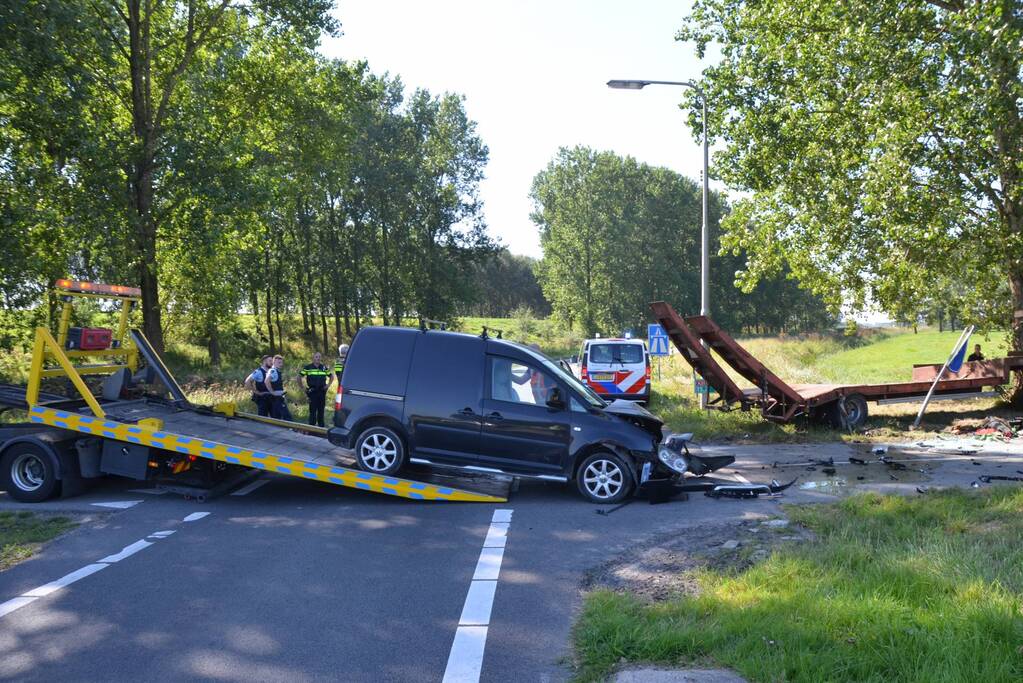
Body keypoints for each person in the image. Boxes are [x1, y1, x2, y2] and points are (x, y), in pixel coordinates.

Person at [301, 351, 332, 427]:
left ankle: (321, 428)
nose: (318, 358)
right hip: (312, 392)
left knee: (321, 411)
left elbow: (331, 376)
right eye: (316, 357)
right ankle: (312, 428)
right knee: (313, 411)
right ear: (313, 358)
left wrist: (328, 385)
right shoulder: (308, 367)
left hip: (322, 392)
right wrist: (303, 387)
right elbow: (299, 377)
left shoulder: (324, 368)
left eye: (319, 357)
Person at [264, 354, 293, 421]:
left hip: (277, 398)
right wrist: (272, 392)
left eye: (281, 362)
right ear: (274, 362)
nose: (281, 364)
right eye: (279, 362)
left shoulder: (276, 371)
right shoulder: (273, 371)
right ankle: (291, 430)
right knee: (287, 417)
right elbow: (266, 381)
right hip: (276, 398)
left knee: (276, 418)